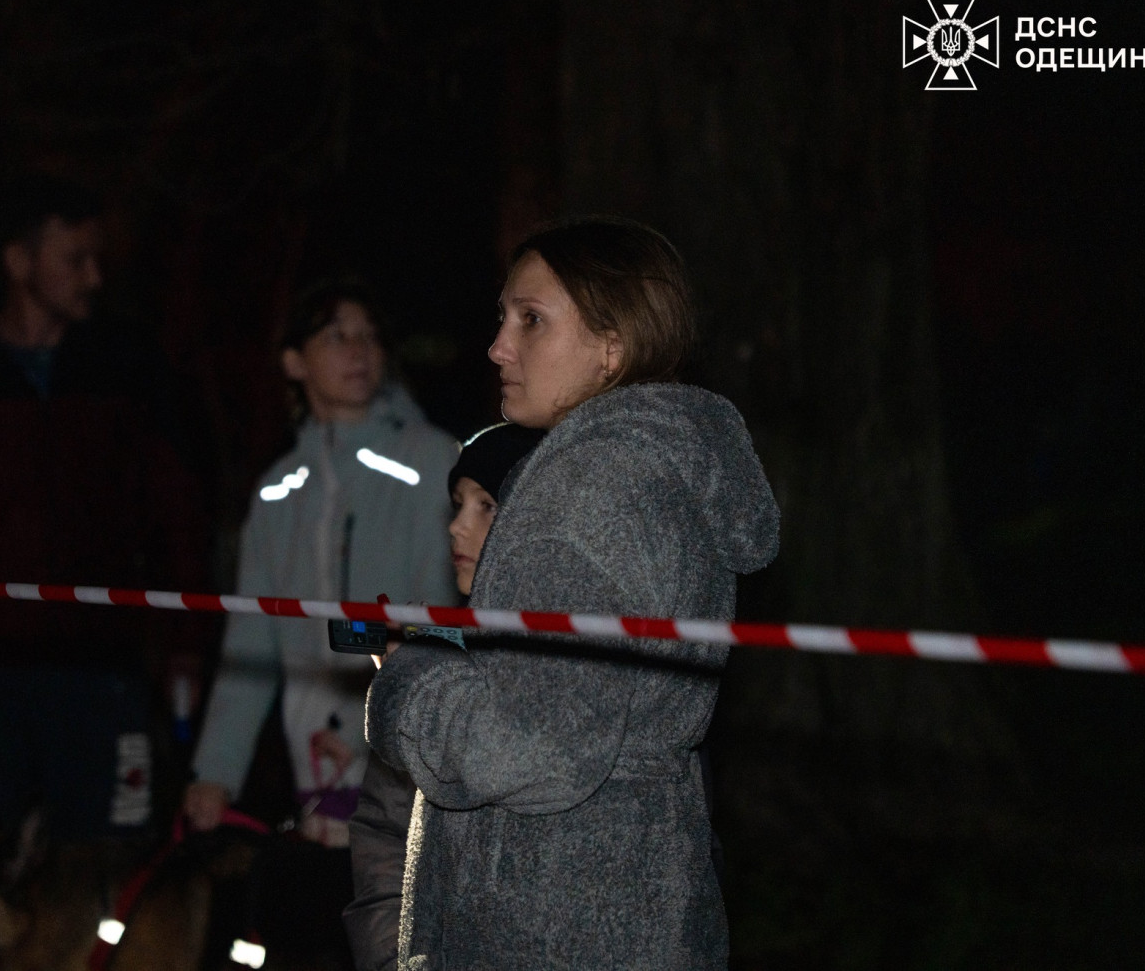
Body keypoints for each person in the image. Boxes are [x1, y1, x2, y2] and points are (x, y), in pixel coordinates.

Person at [366, 217, 780, 969]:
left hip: (549, 919)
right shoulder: (658, 468)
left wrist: (411, 676)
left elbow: (533, 748)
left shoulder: (585, 491)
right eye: (502, 317)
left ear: (611, 347)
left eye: (531, 320)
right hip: (636, 895)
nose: (499, 346)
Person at [0, 176, 211, 860]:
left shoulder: (129, 364)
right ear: (19, 261)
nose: (94, 277)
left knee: (107, 858)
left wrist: (186, 640)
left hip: (103, 663)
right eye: (75, 259)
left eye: (99, 260)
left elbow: (178, 508)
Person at [184, 283, 458, 962]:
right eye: (336, 334)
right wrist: (216, 770)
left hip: (411, 763)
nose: (358, 349)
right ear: (293, 361)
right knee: (319, 939)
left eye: (368, 334)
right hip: (315, 767)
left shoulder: (434, 461)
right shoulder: (277, 489)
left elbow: (447, 617)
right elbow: (251, 639)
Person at [343, 421, 543, 971]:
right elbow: (385, 832)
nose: (457, 526)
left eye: (487, 506)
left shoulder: (592, 667)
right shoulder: (432, 656)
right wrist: (392, 960)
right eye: (458, 504)